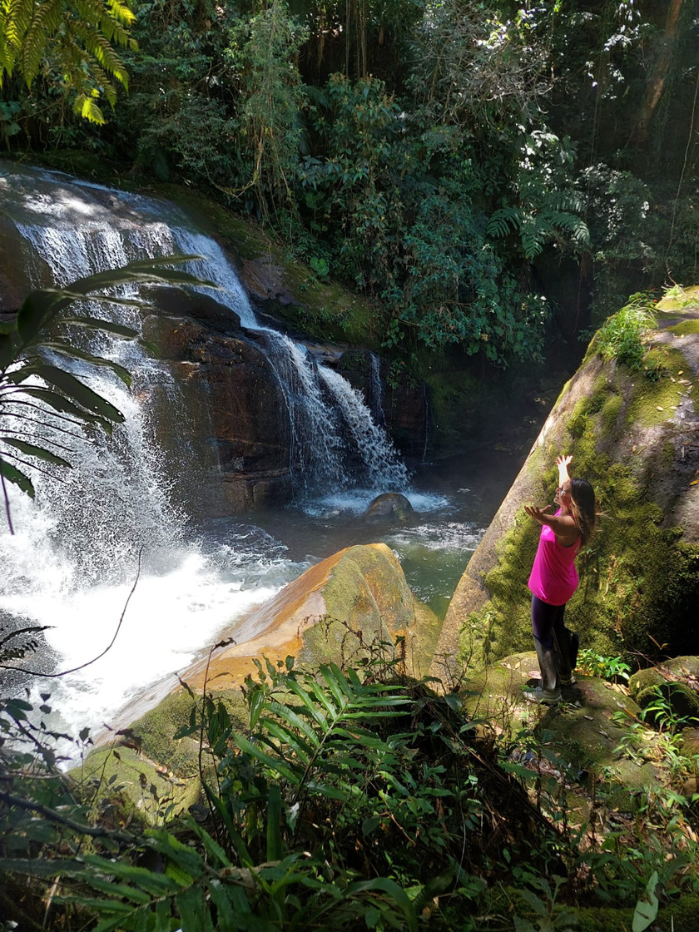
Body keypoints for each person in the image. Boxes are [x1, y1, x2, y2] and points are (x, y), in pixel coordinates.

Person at [523, 454, 597, 705]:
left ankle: (550, 689)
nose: (559, 489)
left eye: (563, 490)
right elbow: (566, 486)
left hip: (549, 588)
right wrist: (563, 468)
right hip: (562, 583)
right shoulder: (574, 513)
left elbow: (552, 521)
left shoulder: (566, 523)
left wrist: (539, 517)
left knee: (541, 634)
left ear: (572, 500)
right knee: (557, 627)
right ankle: (565, 674)